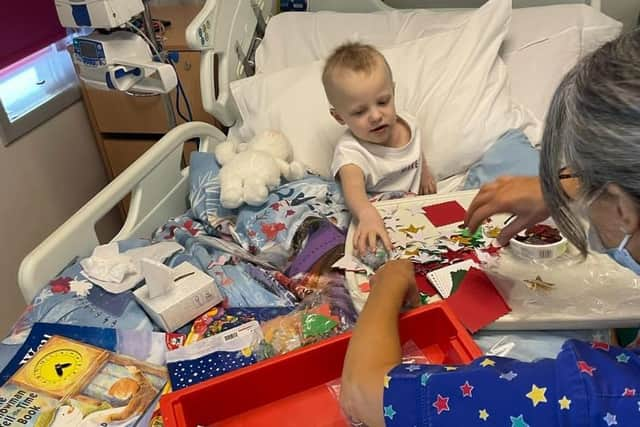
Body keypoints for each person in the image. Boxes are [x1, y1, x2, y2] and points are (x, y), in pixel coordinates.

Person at [340, 30, 640, 427]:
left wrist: (388, 283)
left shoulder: (591, 393)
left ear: (622, 207)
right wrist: (563, 187)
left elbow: (363, 393)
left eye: (582, 173)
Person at [322, 42, 437, 256]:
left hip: (409, 214)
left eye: (383, 102)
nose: (376, 116)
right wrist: (366, 214)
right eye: (359, 112)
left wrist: (425, 172)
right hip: (370, 217)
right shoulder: (351, 153)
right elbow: (353, 190)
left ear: (393, 92)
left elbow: (416, 150)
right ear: (340, 117)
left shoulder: (409, 124)